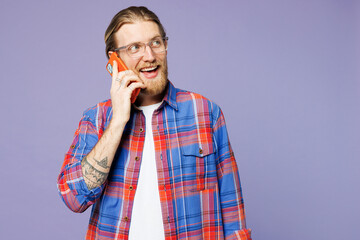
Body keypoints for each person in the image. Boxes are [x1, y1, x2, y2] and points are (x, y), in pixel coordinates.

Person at [57, 6, 252, 240]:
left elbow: (232, 210)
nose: (149, 56)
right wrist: (119, 119)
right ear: (114, 59)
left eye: (156, 43)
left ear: (166, 46)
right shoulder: (96, 119)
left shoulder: (206, 113)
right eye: (135, 48)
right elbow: (74, 198)